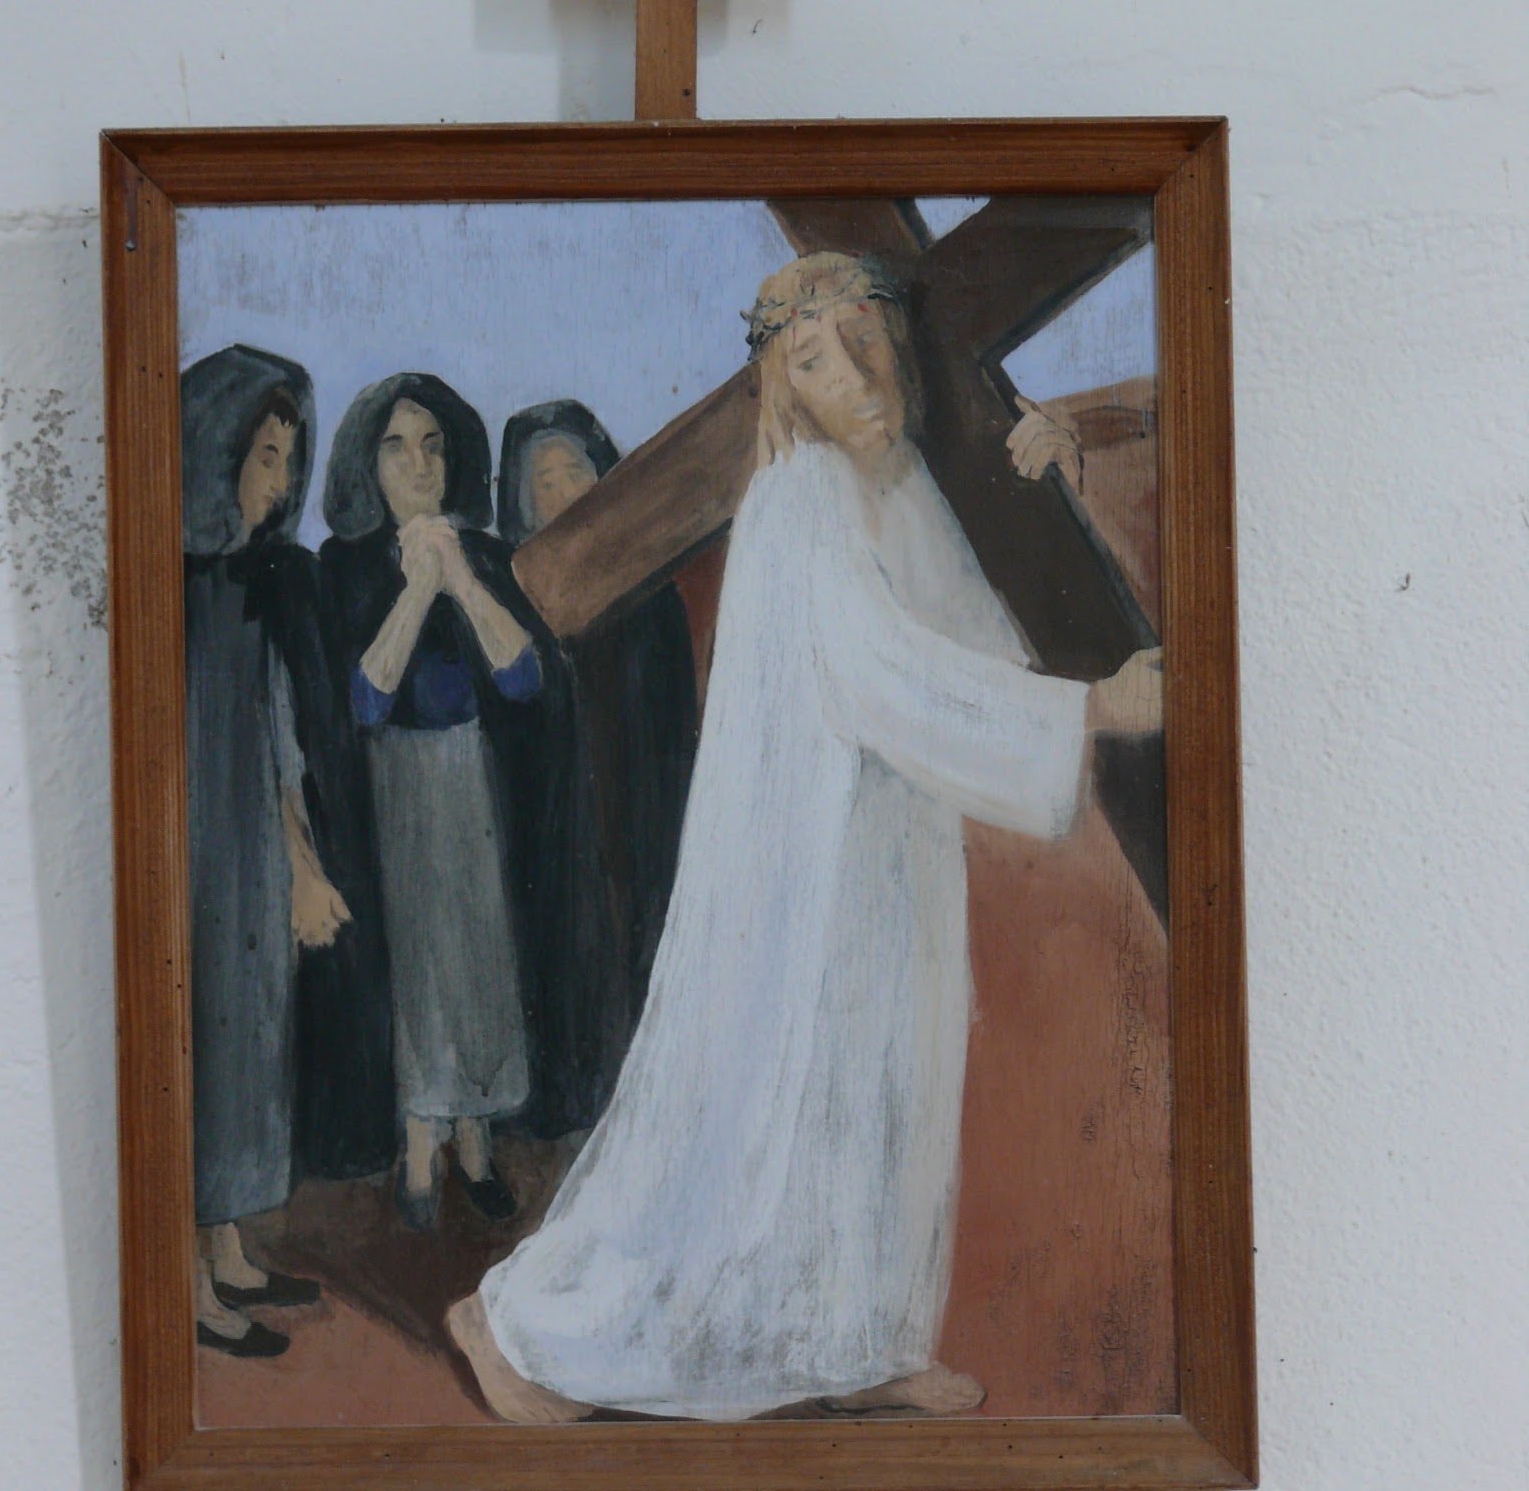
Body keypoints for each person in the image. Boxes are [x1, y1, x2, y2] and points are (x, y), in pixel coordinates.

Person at [447, 253, 1162, 1424]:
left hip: (894, 852)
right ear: (787, 386)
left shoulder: (910, 484)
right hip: (793, 862)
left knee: (885, 1097)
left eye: (869, 340)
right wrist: (1091, 711)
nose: (861, 375)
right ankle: (524, 1322)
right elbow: (882, 674)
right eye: (821, 359)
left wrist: (1048, 488)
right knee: (746, 1109)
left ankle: (861, 1342)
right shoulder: (801, 494)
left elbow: (981, 645)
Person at [320, 373, 543, 1228]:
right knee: (419, 960)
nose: (418, 465)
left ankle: (476, 1142)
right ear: (368, 464)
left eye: (433, 445)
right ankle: (421, 1143)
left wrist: (458, 577)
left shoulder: (482, 554)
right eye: (396, 447)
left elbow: (521, 679)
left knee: (481, 955)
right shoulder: (345, 565)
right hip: (395, 783)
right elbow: (366, 698)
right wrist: (416, 587)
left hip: (475, 773)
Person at [183, 345, 343, 1358]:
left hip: (249, 849)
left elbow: (279, 732)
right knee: (202, 1048)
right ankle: (193, 1287)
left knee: (248, 1043)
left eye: (288, 459)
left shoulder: (253, 580)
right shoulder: (180, 585)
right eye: (265, 457)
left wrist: (300, 864)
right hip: (199, 857)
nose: (280, 483)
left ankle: (230, 1248)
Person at [497, 400, 699, 1088]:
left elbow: (675, 712)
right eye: (544, 481)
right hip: (559, 811)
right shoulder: (515, 593)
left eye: (574, 471)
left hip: (645, 795)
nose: (563, 492)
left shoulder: (649, 583)